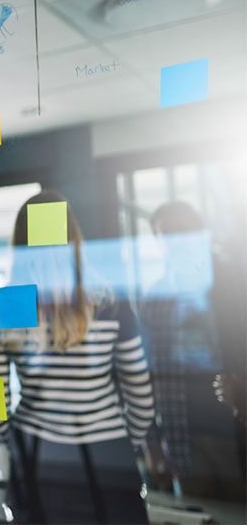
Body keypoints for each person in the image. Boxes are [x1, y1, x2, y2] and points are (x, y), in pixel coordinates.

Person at [0, 190, 154, 524]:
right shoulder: (109, 299)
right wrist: (121, 437)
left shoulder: (11, 301)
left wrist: (10, 440)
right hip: (108, 456)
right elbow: (141, 396)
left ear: (21, 240)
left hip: (37, 455)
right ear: (72, 234)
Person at [140, 200, 246, 500]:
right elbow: (145, 375)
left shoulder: (235, 284)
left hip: (238, 430)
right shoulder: (155, 299)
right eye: (166, 235)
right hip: (184, 438)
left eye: (183, 231)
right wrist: (151, 444)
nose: (176, 242)